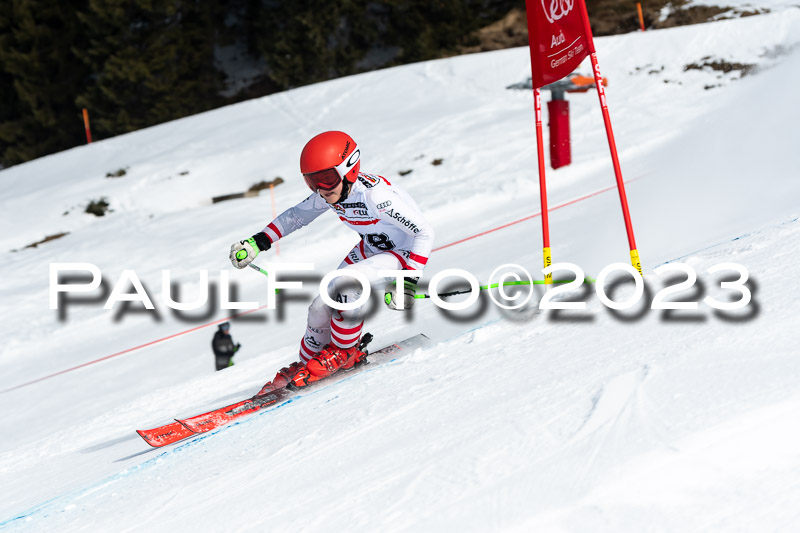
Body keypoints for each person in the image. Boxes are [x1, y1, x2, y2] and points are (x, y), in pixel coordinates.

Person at [229, 130, 434, 393]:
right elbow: (295, 217)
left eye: (326, 179)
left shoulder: (375, 197)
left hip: (403, 253)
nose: (320, 190)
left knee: (344, 286)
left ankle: (343, 353)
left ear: (348, 170)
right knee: (319, 306)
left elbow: (423, 231)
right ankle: (308, 364)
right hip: (372, 248)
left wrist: (408, 281)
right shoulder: (334, 190)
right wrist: (258, 242)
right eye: (311, 181)